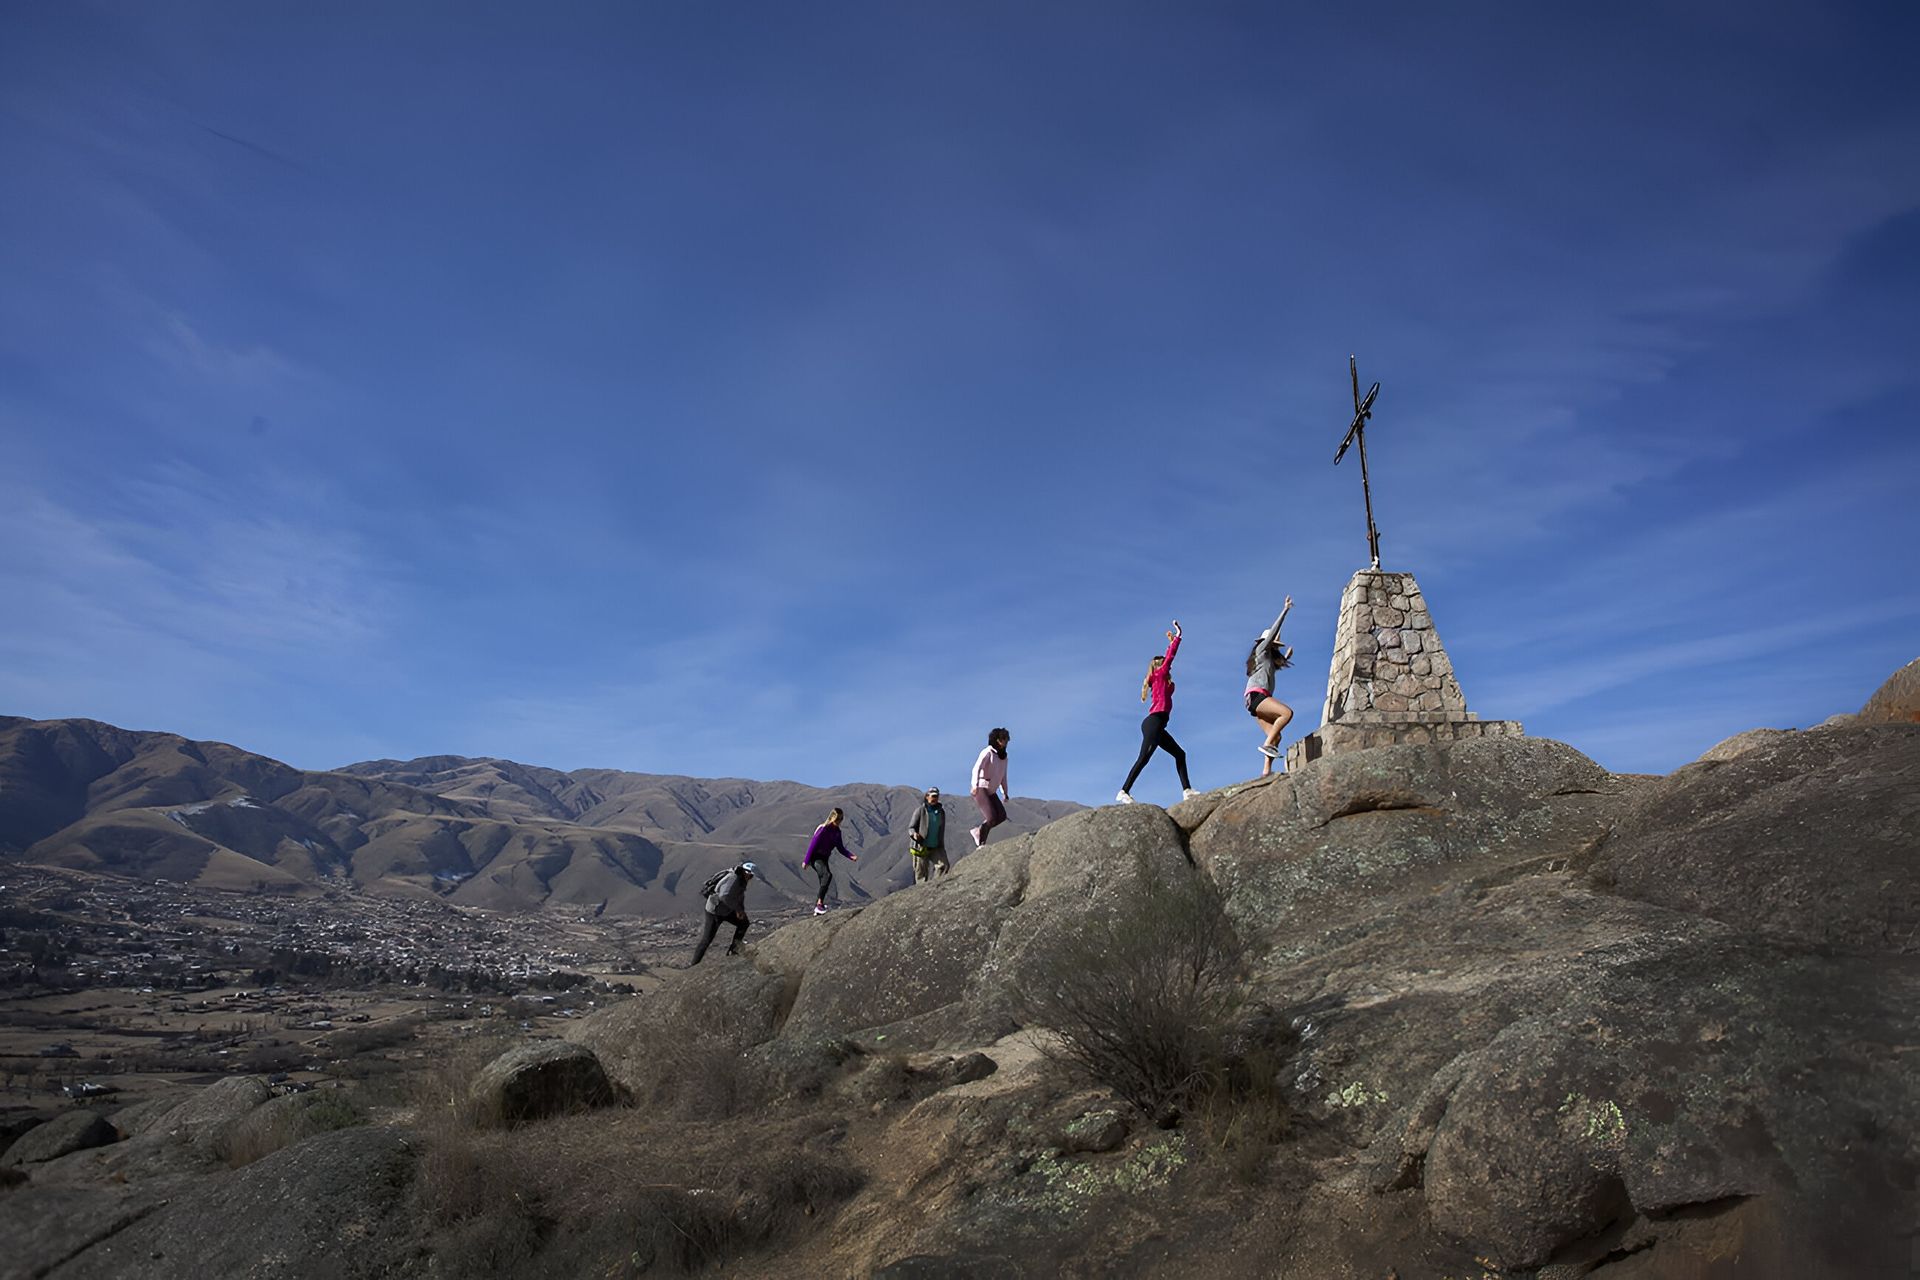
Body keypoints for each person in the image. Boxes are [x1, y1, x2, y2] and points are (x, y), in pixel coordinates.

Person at [1118, 620, 1198, 804]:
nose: (1166, 666)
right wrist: (1178, 637)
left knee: (1180, 754)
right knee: (1144, 757)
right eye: (1163, 665)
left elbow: (1169, 680)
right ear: (1158, 668)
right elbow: (1170, 657)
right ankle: (1123, 791)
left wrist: (1170, 642)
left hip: (1158, 724)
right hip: (1154, 722)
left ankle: (1187, 790)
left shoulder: (1163, 682)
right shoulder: (1159, 675)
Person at [1246, 596, 1296, 777]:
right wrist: (1285, 610)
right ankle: (1267, 745)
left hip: (1255, 700)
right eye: (1273, 643)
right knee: (1286, 713)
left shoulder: (1267, 660)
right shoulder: (1261, 650)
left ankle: (1266, 771)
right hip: (1256, 696)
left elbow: (1275, 667)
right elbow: (1274, 629)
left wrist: (1287, 658)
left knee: (1278, 735)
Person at [690, 861, 758, 965]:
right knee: (707, 939)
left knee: (744, 923)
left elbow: (739, 896)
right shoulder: (733, 879)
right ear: (746, 872)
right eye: (750, 875)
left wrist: (741, 910)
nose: (751, 877)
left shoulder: (741, 880)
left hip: (726, 910)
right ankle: (693, 965)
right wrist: (738, 910)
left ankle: (734, 950)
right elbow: (724, 896)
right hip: (715, 911)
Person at [803, 808, 858, 915]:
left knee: (824, 880)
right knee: (827, 875)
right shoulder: (823, 829)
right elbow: (813, 845)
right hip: (816, 857)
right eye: (838, 819)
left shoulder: (837, 832)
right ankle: (819, 905)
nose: (839, 821)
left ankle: (819, 907)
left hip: (824, 858)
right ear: (832, 818)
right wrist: (806, 861)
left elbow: (840, 848)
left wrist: (850, 856)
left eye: (841, 819)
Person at [969, 728, 1012, 847]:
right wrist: (974, 785)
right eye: (1004, 739)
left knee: (1002, 816)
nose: (1006, 742)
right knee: (992, 817)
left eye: (1007, 739)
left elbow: (1003, 776)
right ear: (997, 740)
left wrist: (1005, 792)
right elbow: (976, 768)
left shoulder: (1004, 758)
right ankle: (981, 842)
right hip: (981, 788)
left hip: (992, 791)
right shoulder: (988, 752)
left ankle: (979, 830)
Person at [907, 786, 949, 883]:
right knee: (921, 874)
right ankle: (921, 894)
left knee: (943, 865)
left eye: (936, 796)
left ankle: (936, 885)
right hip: (921, 847)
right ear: (927, 797)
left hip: (936, 846)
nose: (934, 799)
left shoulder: (941, 812)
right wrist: (914, 834)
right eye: (933, 796)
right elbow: (911, 827)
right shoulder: (920, 811)